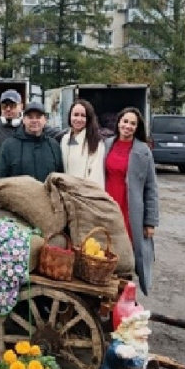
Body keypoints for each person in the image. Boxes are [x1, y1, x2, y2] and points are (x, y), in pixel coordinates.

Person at [104, 107, 159, 295]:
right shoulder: (107, 144)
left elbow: (151, 188)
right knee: (106, 248)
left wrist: (150, 221)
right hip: (108, 204)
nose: (127, 126)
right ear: (118, 122)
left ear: (137, 127)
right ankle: (106, 293)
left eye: (132, 123)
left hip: (130, 208)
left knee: (127, 252)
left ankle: (124, 296)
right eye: (125, 121)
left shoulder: (143, 151)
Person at [0, 101, 63, 182]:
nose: (34, 120)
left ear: (45, 120)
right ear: (23, 120)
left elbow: (60, 179)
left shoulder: (54, 146)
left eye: (38, 117)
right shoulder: (8, 146)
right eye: (30, 117)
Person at [60, 99, 106, 187]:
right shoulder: (65, 139)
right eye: (75, 115)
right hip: (66, 193)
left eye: (83, 116)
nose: (78, 119)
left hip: (84, 194)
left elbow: (96, 177)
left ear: (88, 119)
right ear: (70, 116)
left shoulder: (96, 142)